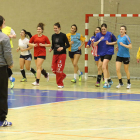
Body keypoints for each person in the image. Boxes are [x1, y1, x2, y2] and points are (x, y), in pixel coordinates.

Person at [94, 23, 117, 88]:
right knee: (105, 67)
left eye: (104, 29)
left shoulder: (110, 34)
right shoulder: (98, 35)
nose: (103, 30)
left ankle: (106, 82)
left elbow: (116, 41)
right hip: (102, 53)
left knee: (103, 66)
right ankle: (109, 80)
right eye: (102, 29)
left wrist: (109, 43)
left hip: (109, 52)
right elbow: (94, 44)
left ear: (106, 28)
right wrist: (99, 40)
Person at [0, 15, 13, 126]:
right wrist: (11, 64)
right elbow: (7, 54)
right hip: (1, 68)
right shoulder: (4, 37)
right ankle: (2, 119)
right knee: (3, 93)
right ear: (2, 24)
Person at [49, 22, 70, 88]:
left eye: (56, 28)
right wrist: (51, 48)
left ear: (59, 28)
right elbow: (53, 45)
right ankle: (63, 75)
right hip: (55, 54)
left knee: (59, 70)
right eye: (54, 28)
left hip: (62, 54)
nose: (55, 29)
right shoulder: (53, 36)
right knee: (53, 69)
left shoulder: (63, 35)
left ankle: (60, 84)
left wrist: (62, 47)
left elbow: (68, 45)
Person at [2, 17, 16, 89]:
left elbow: (15, 35)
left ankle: (10, 78)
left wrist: (11, 36)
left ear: (4, 21)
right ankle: (10, 78)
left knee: (6, 64)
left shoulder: (9, 28)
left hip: (7, 47)